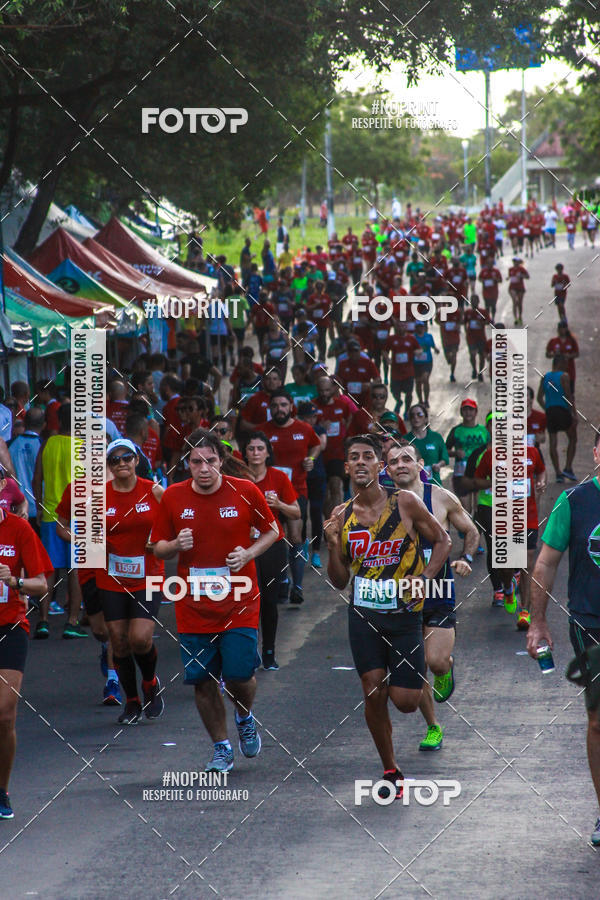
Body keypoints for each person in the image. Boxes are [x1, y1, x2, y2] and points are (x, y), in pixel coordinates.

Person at [324, 434, 451, 797]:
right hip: (364, 615)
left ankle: (417, 676)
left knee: (406, 702)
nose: (361, 462)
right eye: (354, 457)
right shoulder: (341, 515)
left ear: (379, 466)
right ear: (346, 467)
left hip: (404, 614)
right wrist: (332, 546)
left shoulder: (405, 502)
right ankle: (391, 769)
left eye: (368, 456)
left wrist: (425, 578)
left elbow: (442, 540)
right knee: (372, 690)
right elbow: (339, 580)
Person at [152, 429, 278, 773]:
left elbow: (272, 530)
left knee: (239, 675)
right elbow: (158, 547)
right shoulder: (173, 497)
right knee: (203, 681)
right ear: (187, 464)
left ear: (222, 460)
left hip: (239, 599)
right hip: (193, 605)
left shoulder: (245, 490)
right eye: (196, 462)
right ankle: (221, 747)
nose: (204, 468)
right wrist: (175, 545)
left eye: (210, 460)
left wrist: (248, 553)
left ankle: (244, 716)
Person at [527, 431, 600, 846]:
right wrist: (537, 622)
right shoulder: (573, 502)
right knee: (599, 719)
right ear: (595, 453)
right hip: (591, 623)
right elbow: (546, 563)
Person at [386, 440, 478, 751]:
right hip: (403, 596)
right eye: (394, 462)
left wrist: (466, 558)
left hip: (438, 592)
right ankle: (433, 727)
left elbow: (471, 531)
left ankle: (446, 666)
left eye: (406, 459)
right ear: (387, 470)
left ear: (420, 464)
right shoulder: (384, 504)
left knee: (435, 661)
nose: (400, 465)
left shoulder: (441, 498)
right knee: (416, 667)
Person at [97, 439, 165, 724]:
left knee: (140, 638)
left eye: (127, 457)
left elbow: (174, 524)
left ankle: (149, 682)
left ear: (137, 460)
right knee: (119, 641)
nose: (122, 463)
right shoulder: (99, 496)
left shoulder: (154, 490)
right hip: (111, 577)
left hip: (148, 575)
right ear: (109, 465)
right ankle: (132, 702)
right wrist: (91, 542)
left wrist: (160, 541)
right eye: (115, 459)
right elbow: (77, 531)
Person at [0, 509, 49, 818]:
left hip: (10, 627)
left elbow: (41, 584)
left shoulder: (18, 528)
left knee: (5, 714)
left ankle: (1, 790)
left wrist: (14, 581)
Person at [243, 432, 300, 670]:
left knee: (268, 600)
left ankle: (269, 652)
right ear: (245, 453)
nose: (255, 453)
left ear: (268, 453)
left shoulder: (278, 477)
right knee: (247, 601)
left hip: (273, 546)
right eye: (251, 449)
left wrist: (279, 505)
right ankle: (249, 651)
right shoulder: (238, 478)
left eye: (260, 448)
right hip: (244, 547)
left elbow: (296, 512)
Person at [32, 403, 87, 638]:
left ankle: (43, 621)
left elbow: (37, 479)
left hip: (50, 515)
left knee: (49, 569)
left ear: (59, 420)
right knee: (76, 569)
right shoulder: (83, 447)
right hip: (77, 516)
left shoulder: (47, 444)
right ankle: (72, 622)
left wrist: (39, 506)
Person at [262, 390, 321, 605]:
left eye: (283, 405)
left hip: (297, 490)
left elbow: (316, 444)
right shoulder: (263, 431)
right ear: (270, 408)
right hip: (269, 492)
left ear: (291, 406)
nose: (279, 409)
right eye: (275, 405)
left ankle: (297, 586)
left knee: (295, 537)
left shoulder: (304, 428)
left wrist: (311, 459)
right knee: (274, 537)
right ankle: (282, 580)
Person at [537, 356, 577, 483]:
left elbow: (539, 398)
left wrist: (548, 409)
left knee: (553, 442)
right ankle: (568, 468)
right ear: (560, 363)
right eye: (565, 364)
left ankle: (558, 473)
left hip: (550, 412)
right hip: (562, 411)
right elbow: (568, 396)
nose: (567, 367)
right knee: (573, 438)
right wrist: (574, 414)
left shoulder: (545, 377)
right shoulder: (564, 376)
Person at [8, 407, 44, 532]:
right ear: (44, 425)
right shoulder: (43, 446)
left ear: (24, 423)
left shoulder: (10, 445)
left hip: (18, 509)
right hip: (40, 508)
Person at [405, 404, 449, 486]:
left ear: (426, 418)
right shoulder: (405, 440)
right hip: (413, 485)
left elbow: (445, 458)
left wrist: (438, 465)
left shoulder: (436, 437)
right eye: (412, 415)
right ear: (409, 419)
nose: (416, 417)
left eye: (419, 414)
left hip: (434, 484)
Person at [507, 257, 529, 326]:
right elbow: (510, 276)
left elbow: (527, 276)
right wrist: (508, 278)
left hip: (520, 287)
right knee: (515, 301)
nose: (515, 263)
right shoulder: (510, 269)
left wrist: (521, 275)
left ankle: (520, 316)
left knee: (519, 303)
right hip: (512, 287)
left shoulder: (521, 269)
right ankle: (515, 318)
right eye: (514, 262)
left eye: (516, 262)